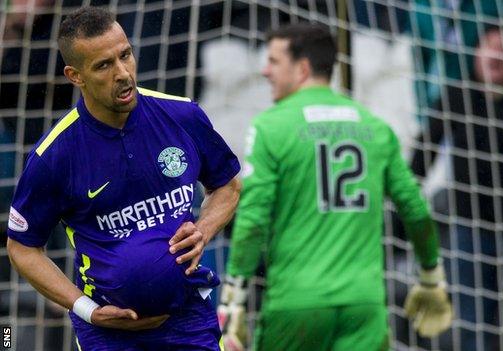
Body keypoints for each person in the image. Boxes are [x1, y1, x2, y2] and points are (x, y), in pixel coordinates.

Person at [6, 6, 241, 351]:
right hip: (108, 335)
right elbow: (22, 248)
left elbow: (228, 184)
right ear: (75, 75)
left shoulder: (182, 115)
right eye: (104, 65)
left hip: (189, 319)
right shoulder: (54, 155)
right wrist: (87, 310)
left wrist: (204, 229)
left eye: (125, 55)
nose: (123, 72)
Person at [217, 23, 452, 351]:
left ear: (302, 68)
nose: (265, 71)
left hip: (297, 305)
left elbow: (253, 220)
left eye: (273, 61)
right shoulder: (375, 127)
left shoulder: (271, 127)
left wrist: (233, 298)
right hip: (364, 305)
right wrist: (431, 276)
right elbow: (414, 208)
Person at [412, 25, 503, 351]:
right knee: (471, 319)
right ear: (476, 54)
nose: (496, 54)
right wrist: (406, 197)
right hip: (471, 228)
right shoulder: (456, 96)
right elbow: (423, 153)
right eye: (489, 46)